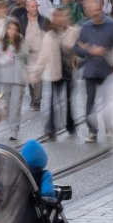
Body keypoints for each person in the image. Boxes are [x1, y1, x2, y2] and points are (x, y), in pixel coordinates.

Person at [74, 0, 113, 143]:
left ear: (101, 9)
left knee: (108, 100)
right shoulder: (86, 27)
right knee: (91, 100)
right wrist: (90, 51)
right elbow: (77, 48)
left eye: (97, 10)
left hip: (107, 69)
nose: (95, 14)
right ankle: (92, 131)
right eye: (91, 12)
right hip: (91, 70)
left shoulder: (111, 25)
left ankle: (109, 127)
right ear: (88, 13)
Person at [31, 7, 78, 140]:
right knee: (53, 101)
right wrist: (35, 73)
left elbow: (78, 50)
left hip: (69, 72)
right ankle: (51, 128)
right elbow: (43, 56)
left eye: (64, 16)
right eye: (59, 17)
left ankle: (70, 124)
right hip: (55, 72)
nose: (62, 19)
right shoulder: (49, 35)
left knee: (69, 101)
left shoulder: (72, 32)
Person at [0, 20, 29, 140]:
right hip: (5, 78)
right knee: (8, 105)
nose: (12, 32)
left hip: (19, 79)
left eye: (15, 29)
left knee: (16, 105)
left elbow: (27, 55)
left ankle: (14, 130)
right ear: (6, 30)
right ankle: (11, 124)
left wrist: (15, 48)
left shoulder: (22, 42)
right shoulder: (0, 44)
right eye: (9, 29)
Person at [19, 0, 50, 111]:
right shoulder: (22, 20)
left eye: (36, 6)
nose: (35, 8)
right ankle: (34, 99)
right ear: (27, 8)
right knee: (30, 78)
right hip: (27, 54)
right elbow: (17, 36)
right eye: (32, 6)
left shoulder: (44, 20)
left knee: (37, 78)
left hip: (40, 54)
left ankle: (37, 101)